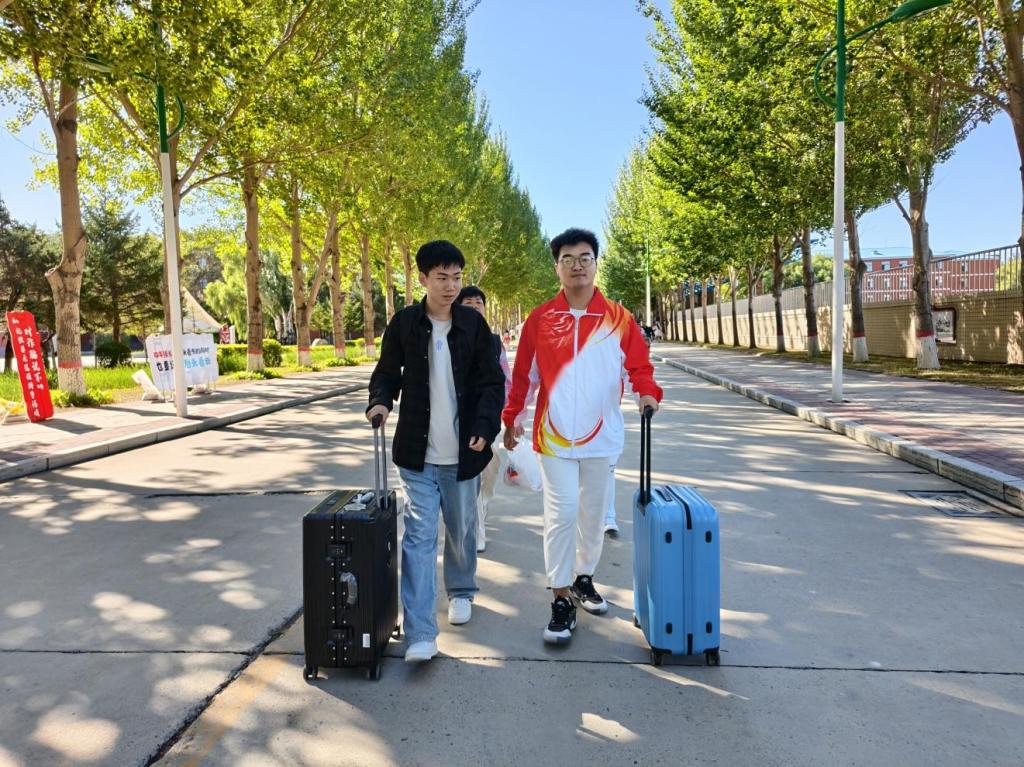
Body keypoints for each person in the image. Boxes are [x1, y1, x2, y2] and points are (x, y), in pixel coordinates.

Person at [502, 227, 663, 645]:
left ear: (595, 263)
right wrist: (513, 416)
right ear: (556, 266)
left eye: (585, 258)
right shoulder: (540, 319)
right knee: (562, 512)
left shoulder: (618, 319)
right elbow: (524, 376)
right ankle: (560, 597)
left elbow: (639, 367)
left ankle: (583, 577)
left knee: (593, 514)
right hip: (553, 437)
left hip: (602, 437)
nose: (577, 265)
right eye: (568, 259)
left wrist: (647, 394)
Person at [366, 240, 505, 663]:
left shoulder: (473, 325)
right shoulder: (405, 323)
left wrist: (485, 426)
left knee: (461, 532)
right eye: (442, 277)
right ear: (423, 279)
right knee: (419, 538)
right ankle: (421, 633)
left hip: (464, 454)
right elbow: (386, 372)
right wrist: (380, 401)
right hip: (418, 454)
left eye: (456, 278)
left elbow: (491, 383)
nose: (450, 286)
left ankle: (461, 590)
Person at [457, 285, 512, 552]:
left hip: (489, 418)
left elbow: (506, 382)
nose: (474, 306)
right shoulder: (450, 337)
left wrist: (511, 417)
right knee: (472, 476)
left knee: (490, 470)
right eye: (467, 303)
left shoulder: (494, 342)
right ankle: (476, 530)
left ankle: (482, 505)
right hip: (459, 420)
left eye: (478, 302)